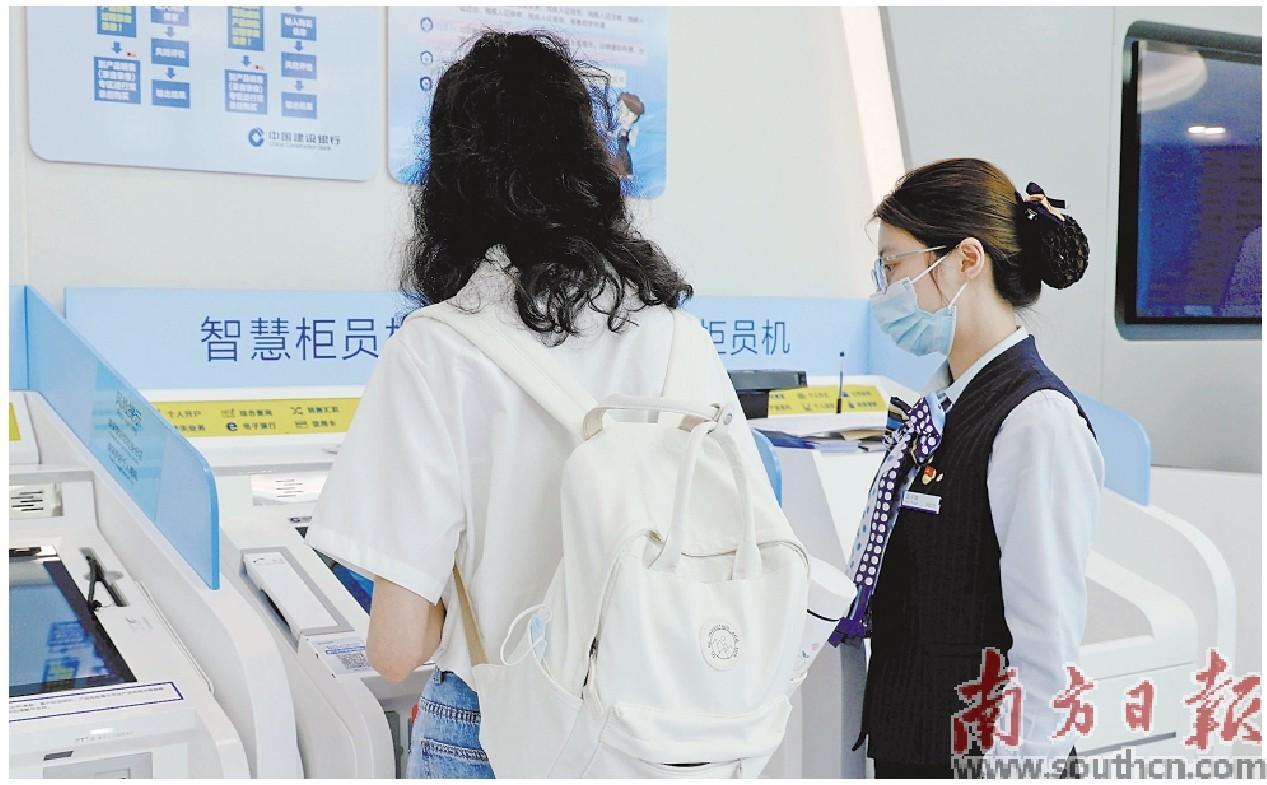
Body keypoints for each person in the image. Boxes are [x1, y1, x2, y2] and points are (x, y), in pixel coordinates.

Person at [305, 31, 765, 779]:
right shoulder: (676, 337)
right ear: (588, 160)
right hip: (665, 726)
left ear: (449, 178)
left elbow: (396, 649)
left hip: (495, 730)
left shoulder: (438, 348)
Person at [839, 158, 1104, 778]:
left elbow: (1046, 653)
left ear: (965, 259)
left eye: (893, 265)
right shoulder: (941, 406)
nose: (884, 288)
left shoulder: (1035, 421)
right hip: (917, 746)